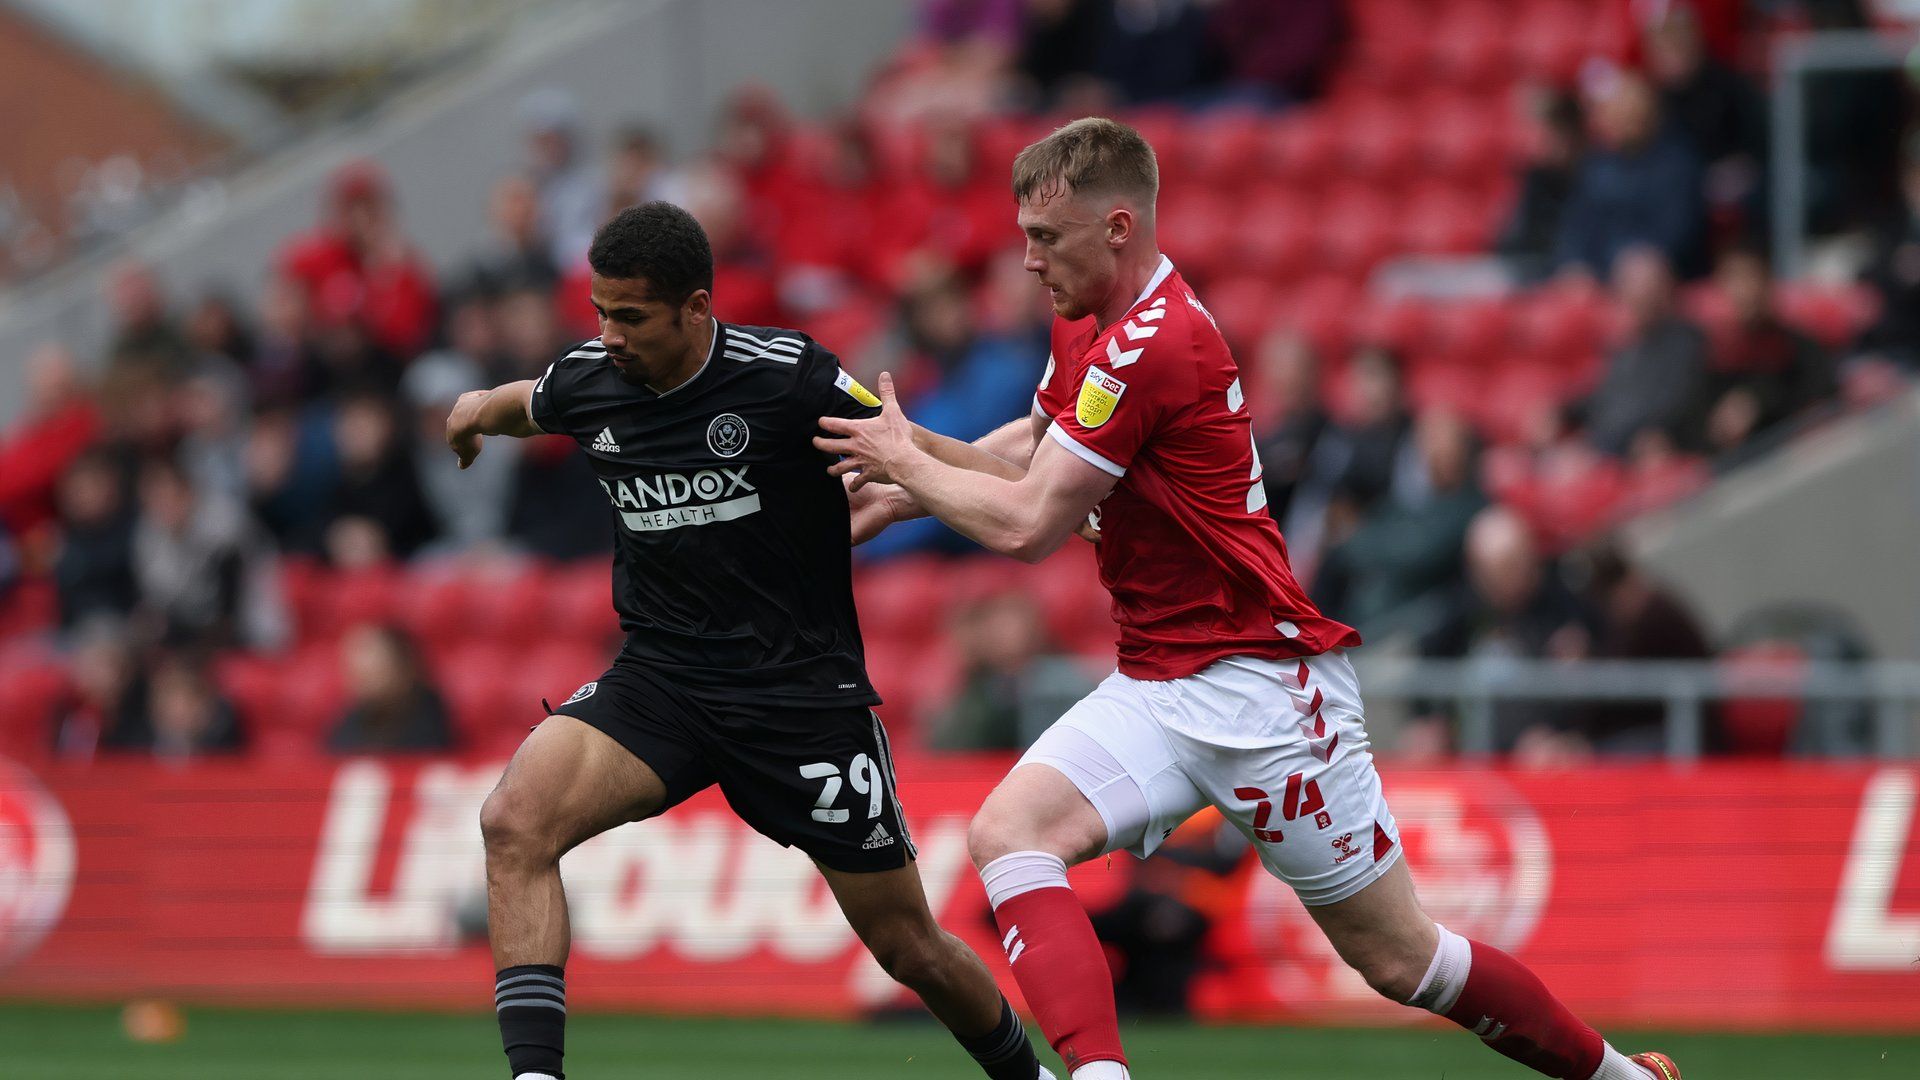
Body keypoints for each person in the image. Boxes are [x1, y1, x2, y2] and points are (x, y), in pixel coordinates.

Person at [820, 117, 1679, 1080]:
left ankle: (1620, 1078)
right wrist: (909, 482)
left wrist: (905, 460)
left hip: (1262, 690)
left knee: (1402, 960)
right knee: (1008, 835)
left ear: (1115, 226)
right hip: (1157, 678)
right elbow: (1038, 441)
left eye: (1045, 238)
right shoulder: (1086, 321)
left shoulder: (1159, 341)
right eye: (1023, 235)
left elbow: (1029, 525)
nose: (1026, 260)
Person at [444, 202, 1049, 1080]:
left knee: (908, 947)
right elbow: (510, 405)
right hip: (665, 683)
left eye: (632, 317)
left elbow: (915, 451)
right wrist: (466, 418)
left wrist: (1048, 497)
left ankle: (1027, 1077)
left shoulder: (789, 377)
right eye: (600, 312)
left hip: (800, 698)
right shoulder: (588, 379)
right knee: (514, 823)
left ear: (696, 308)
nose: (609, 337)